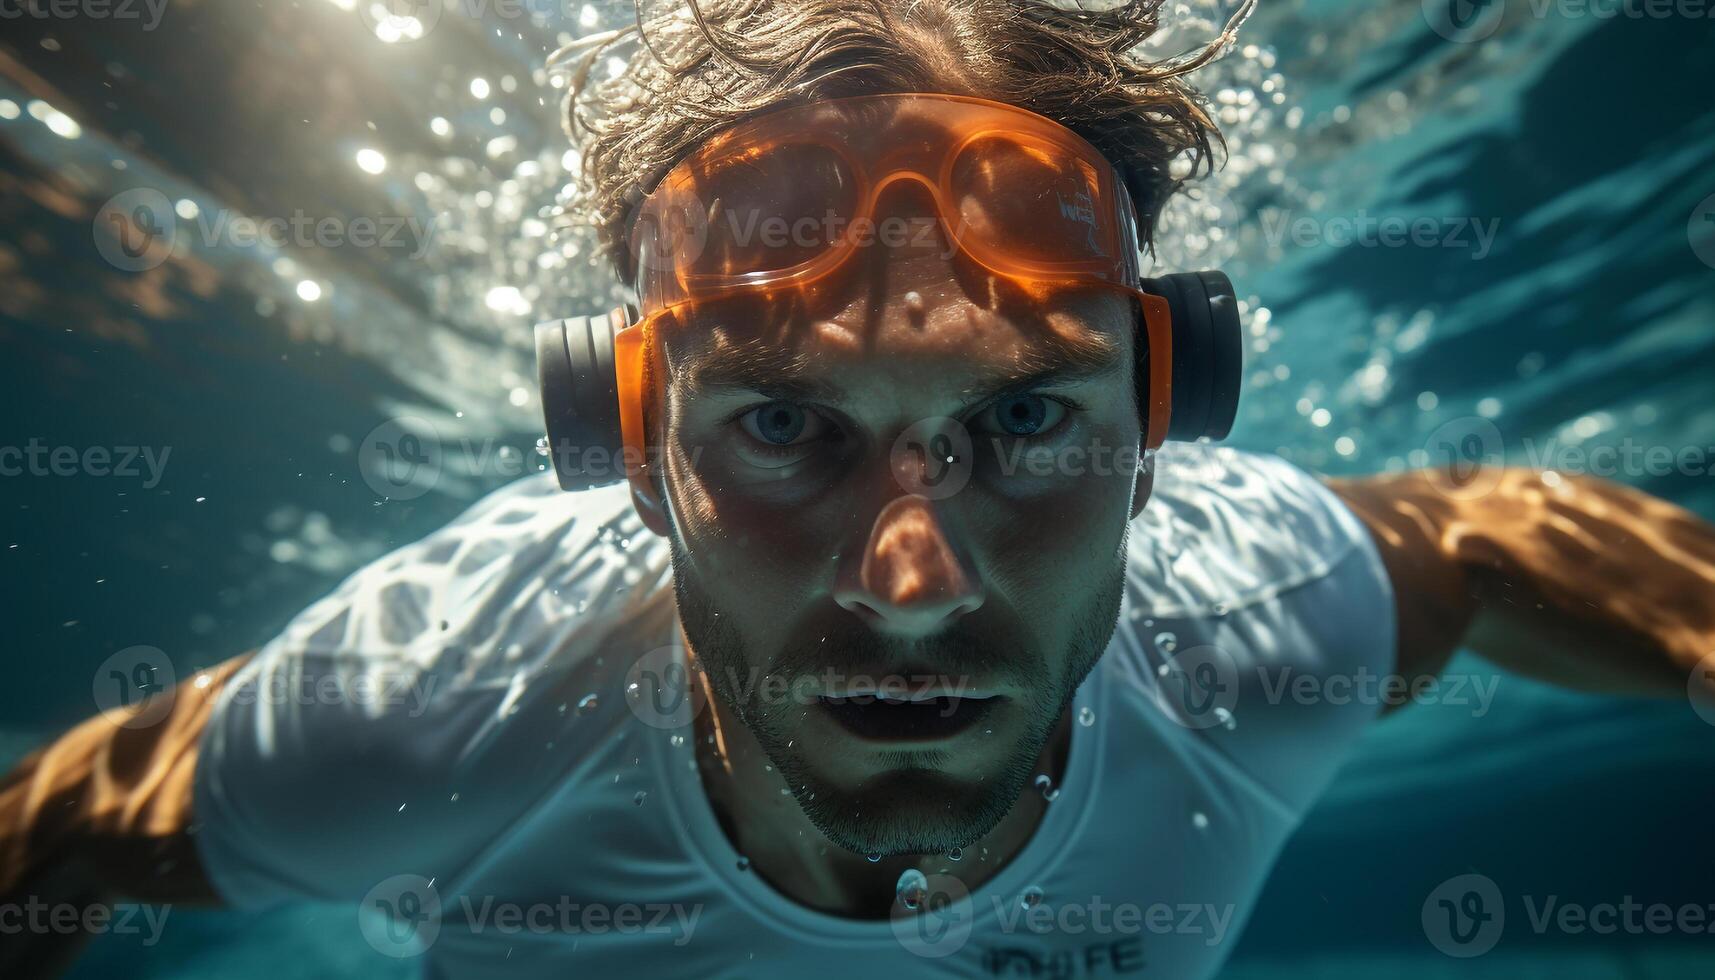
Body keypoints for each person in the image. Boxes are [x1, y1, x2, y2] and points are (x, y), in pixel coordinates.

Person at [4, 2, 1713, 977]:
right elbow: (53, 840)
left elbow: (1495, 534)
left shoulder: (1250, 623)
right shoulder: (428, 703)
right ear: (623, 444)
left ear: (1166, 410)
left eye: (1029, 420)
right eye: (781, 426)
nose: (909, 579)